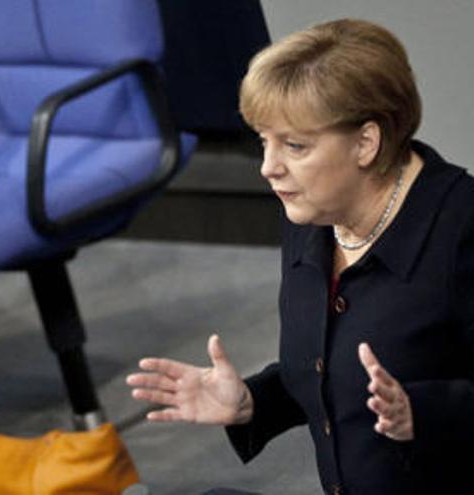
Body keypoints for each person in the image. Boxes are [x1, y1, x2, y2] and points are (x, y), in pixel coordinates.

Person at [126, 18, 474, 495]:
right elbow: (331, 369)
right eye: (263, 140)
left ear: (365, 143)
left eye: (294, 145)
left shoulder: (461, 229)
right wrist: (253, 401)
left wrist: (423, 412)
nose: (269, 167)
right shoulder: (311, 220)